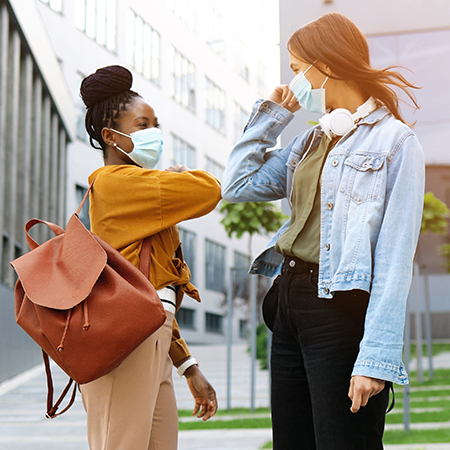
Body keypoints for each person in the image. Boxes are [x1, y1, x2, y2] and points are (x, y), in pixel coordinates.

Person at [222, 13, 424, 450]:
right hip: (289, 297)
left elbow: (394, 258)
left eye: (297, 70)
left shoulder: (396, 143)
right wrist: (274, 114)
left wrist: (375, 358)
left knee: (343, 441)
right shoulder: (309, 140)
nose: (294, 81)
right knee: (291, 442)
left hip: (339, 308)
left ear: (325, 65)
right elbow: (237, 184)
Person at [78, 65, 220, 450]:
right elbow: (208, 190)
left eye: (155, 123)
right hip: (126, 340)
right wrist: (180, 177)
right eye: (143, 125)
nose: (154, 133)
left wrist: (187, 365)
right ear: (111, 136)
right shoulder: (114, 182)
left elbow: (156, 291)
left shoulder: (144, 195)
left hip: (150, 334)